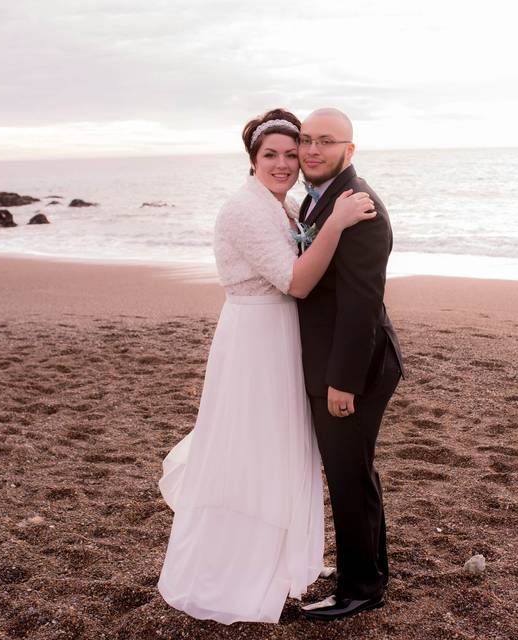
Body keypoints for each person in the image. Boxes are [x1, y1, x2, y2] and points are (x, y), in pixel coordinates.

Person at [155, 108, 376, 625]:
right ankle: (237, 570)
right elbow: (295, 282)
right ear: (252, 161)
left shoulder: (285, 207)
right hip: (255, 339)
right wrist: (339, 223)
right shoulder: (244, 210)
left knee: (278, 447)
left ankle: (274, 561)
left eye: (291, 155)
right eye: (270, 155)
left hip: (280, 338)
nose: (283, 164)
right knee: (249, 450)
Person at [296, 108, 404, 621]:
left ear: (349, 150)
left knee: (347, 476)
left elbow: (361, 303)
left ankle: (359, 589)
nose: (312, 149)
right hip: (335, 362)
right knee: (354, 473)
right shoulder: (317, 200)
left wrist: (343, 382)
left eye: (326, 141)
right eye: (306, 139)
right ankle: (372, 573)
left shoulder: (359, 208)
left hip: (352, 371)